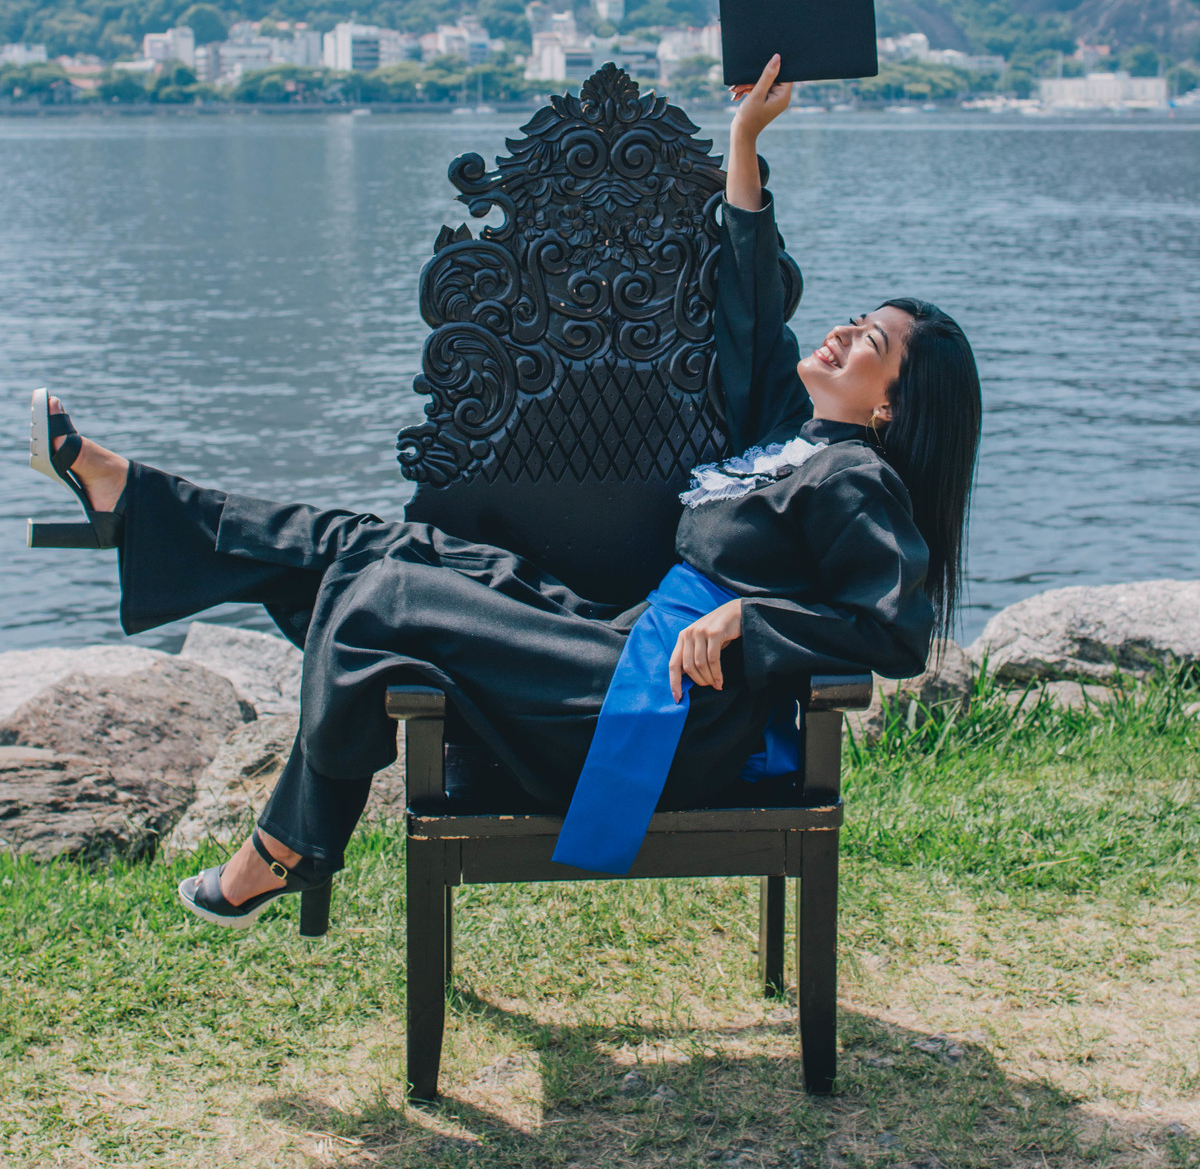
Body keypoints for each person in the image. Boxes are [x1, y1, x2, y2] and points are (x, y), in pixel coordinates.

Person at [29, 55, 981, 926]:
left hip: (657, 709)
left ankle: (288, 850)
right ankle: (135, 496)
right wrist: (745, 138)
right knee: (369, 549)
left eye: (870, 343)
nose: (841, 334)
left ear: (892, 407)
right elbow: (750, 305)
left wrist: (750, 623)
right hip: (620, 641)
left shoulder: (855, 479)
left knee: (381, 600)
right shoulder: (790, 436)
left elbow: (894, 633)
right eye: (854, 319)